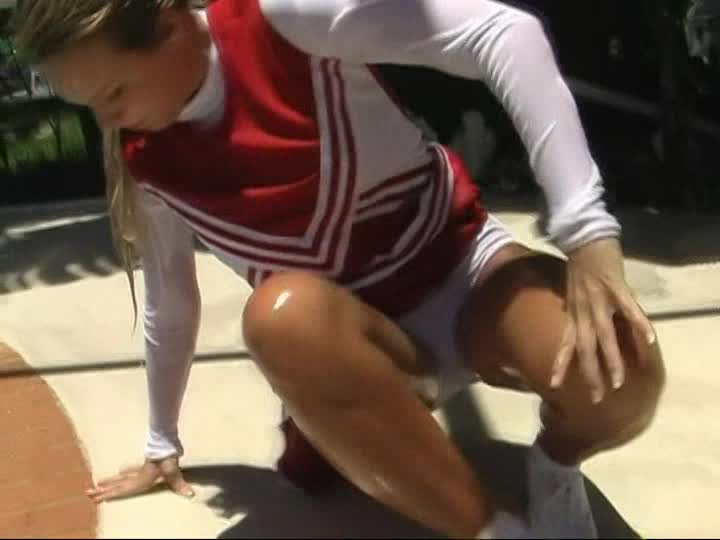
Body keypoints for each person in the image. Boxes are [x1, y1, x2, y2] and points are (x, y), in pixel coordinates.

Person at [12, 0, 666, 538]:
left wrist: (588, 234)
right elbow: (170, 301)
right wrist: (162, 443)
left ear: (170, 25)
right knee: (280, 316)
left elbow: (505, 32)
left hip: (464, 272)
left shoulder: (283, 21)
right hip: (353, 351)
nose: (108, 121)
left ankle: (553, 465)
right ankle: (495, 531)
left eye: (114, 92)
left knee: (621, 369)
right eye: (90, 105)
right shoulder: (151, 161)